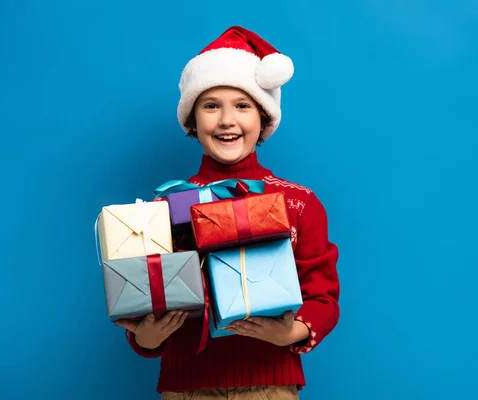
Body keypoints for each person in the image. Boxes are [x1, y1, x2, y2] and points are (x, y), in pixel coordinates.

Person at [116, 26, 340, 400]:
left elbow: (323, 296)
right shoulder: (163, 207)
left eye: (242, 105)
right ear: (192, 119)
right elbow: (146, 297)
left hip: (270, 384)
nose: (225, 120)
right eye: (210, 105)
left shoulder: (298, 202)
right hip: (185, 387)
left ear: (264, 117)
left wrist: (291, 332)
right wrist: (145, 337)